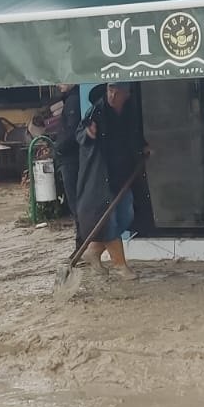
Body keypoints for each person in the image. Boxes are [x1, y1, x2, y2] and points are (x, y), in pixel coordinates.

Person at [75, 82, 148, 279]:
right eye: (111, 91)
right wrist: (88, 133)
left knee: (126, 216)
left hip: (123, 174)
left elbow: (133, 133)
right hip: (101, 177)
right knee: (109, 222)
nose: (113, 96)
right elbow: (80, 133)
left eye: (119, 92)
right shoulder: (96, 112)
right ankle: (120, 265)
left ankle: (94, 251)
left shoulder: (129, 110)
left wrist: (143, 147)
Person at [52, 83, 81, 235]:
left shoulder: (73, 100)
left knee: (76, 204)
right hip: (70, 158)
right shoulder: (71, 99)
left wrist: (58, 149)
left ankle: (83, 241)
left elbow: (72, 132)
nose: (58, 84)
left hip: (70, 159)